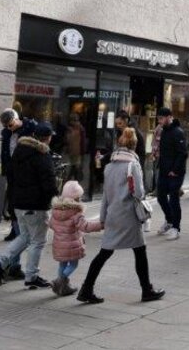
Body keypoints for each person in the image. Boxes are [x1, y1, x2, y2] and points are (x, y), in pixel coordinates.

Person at [76, 128, 165, 304]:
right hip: (129, 216)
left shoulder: (109, 166)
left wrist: (103, 218)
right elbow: (139, 193)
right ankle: (147, 290)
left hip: (113, 215)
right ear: (134, 145)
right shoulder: (133, 165)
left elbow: (106, 196)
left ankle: (86, 288)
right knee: (140, 251)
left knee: (104, 252)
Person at [0, 123, 58, 290]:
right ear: (47, 138)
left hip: (18, 203)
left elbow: (10, 176)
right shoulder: (42, 155)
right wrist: (55, 197)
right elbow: (49, 182)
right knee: (38, 241)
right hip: (36, 205)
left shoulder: (19, 151)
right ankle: (31, 276)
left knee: (25, 237)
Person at [47, 180, 103, 297]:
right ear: (76, 198)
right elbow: (85, 226)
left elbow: (51, 224)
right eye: (79, 197)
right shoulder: (75, 212)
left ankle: (63, 287)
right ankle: (59, 281)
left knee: (62, 265)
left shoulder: (56, 210)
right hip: (71, 245)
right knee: (73, 265)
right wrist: (101, 224)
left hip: (59, 244)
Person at [0, 109, 36, 243]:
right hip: (12, 170)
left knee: (24, 203)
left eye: (10, 125)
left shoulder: (30, 128)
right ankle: (15, 230)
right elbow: (4, 152)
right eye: (6, 126)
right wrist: (5, 169)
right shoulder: (7, 133)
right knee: (12, 201)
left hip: (26, 171)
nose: (8, 128)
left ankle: (25, 231)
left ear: (16, 119)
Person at [153, 107, 187, 240]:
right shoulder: (164, 131)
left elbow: (183, 153)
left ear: (169, 117)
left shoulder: (178, 132)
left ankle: (176, 228)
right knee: (160, 197)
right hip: (163, 170)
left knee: (174, 199)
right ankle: (169, 221)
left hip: (175, 173)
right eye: (158, 119)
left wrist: (175, 170)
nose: (159, 121)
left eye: (161, 118)